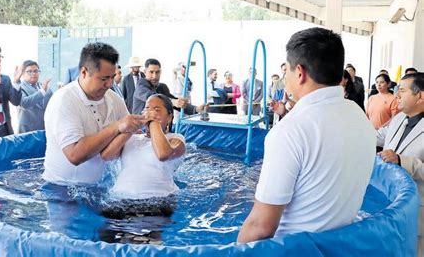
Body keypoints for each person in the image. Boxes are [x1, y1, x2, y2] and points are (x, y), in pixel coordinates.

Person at [237, 27, 376, 243]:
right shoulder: (359, 116)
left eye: (287, 71)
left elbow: (260, 226)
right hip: (341, 247)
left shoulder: (290, 131)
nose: (285, 77)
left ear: (299, 73)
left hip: (296, 250)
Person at [42, 43, 150, 185]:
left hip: (101, 185)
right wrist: (116, 127)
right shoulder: (63, 101)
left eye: (112, 77)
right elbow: (74, 155)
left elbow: (128, 137)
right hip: (61, 188)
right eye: (104, 79)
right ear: (84, 72)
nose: (110, 84)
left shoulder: (114, 99)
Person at [377, 72, 424, 255]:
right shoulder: (398, 120)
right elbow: (377, 136)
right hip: (391, 207)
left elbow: (399, 158)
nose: (396, 95)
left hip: (418, 211)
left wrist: (401, 161)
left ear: (420, 96)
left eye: (402, 91)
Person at [108, 94, 186, 199]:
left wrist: (153, 122)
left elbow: (163, 154)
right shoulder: (133, 137)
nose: (150, 113)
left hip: (158, 200)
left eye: (156, 110)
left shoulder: (176, 139)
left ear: (169, 117)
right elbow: (107, 156)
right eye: (147, 109)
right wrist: (130, 128)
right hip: (119, 199)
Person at [132, 58, 203, 116]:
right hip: (141, 129)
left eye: (157, 72)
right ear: (145, 72)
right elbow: (152, 97)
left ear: (161, 72)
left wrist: (196, 109)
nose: (154, 76)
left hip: (161, 127)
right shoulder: (141, 85)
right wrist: (172, 102)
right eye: (151, 72)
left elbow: (176, 102)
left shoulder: (162, 87)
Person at [18, 60, 53, 133]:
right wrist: (42, 91)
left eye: (36, 71)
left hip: (44, 127)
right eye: (29, 71)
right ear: (23, 74)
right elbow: (24, 103)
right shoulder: (19, 87)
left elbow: (52, 103)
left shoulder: (43, 86)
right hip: (27, 129)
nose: (33, 74)